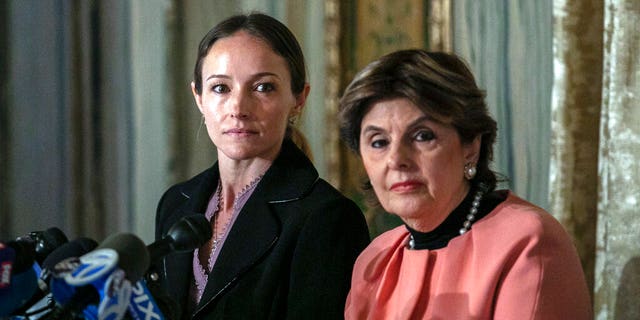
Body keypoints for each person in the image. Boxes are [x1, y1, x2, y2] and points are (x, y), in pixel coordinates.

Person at [338, 49, 592, 319]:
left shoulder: (527, 241)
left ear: (471, 145)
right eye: (379, 142)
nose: (397, 159)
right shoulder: (376, 260)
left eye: (423, 136)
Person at [148, 13, 370, 319]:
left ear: (298, 98)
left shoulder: (327, 218)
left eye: (263, 87)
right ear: (199, 98)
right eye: (220, 88)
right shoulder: (176, 203)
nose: (238, 108)